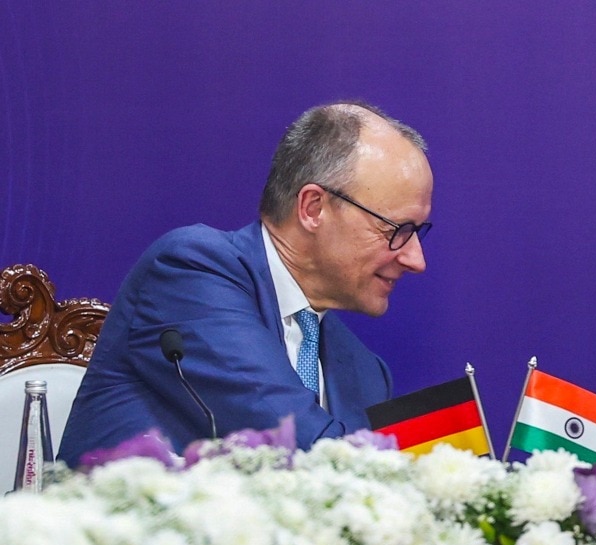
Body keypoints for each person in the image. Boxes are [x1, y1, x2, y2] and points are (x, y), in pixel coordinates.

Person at [58, 101, 432, 465]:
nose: (416, 260)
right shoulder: (190, 272)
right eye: (398, 229)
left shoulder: (367, 373)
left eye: (419, 232)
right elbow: (300, 451)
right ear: (313, 208)